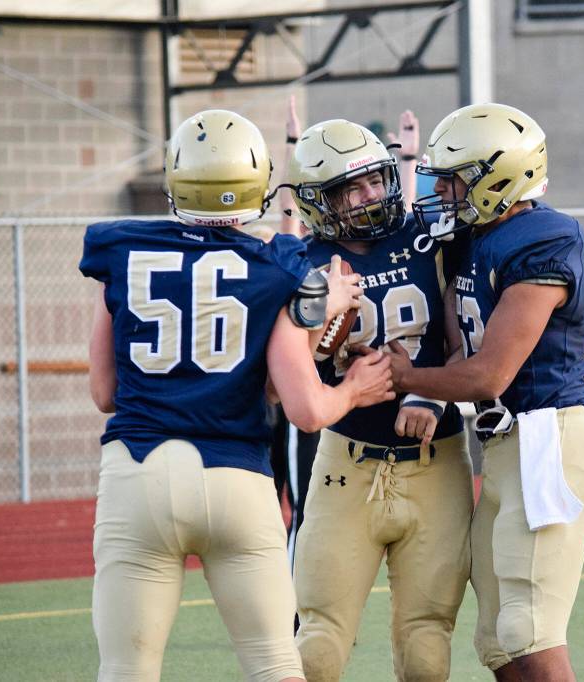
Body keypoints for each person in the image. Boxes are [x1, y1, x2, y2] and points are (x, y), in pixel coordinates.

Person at [79, 109, 394, 682]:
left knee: (125, 669)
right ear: (256, 184)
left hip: (138, 474)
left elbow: (104, 392)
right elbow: (305, 409)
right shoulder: (279, 266)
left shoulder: (121, 251)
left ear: (178, 178)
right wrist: (354, 387)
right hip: (236, 482)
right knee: (274, 665)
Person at [386, 102, 584, 682]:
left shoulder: (544, 239)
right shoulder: (474, 238)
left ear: (499, 178)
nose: (442, 190)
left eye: (455, 178)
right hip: (508, 446)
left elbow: (489, 375)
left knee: (528, 632)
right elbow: (461, 348)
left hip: (549, 438)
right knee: (497, 641)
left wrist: (406, 378)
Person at [283, 116, 474, 682]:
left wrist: (429, 395)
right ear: (322, 202)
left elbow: (472, 338)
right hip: (347, 460)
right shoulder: (305, 265)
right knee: (317, 639)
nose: (372, 196)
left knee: (426, 643)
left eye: (377, 180)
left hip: (436, 458)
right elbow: (294, 368)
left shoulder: (430, 238)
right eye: (352, 188)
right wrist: (326, 341)